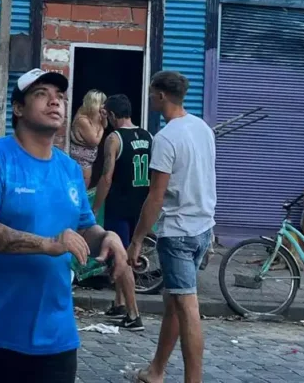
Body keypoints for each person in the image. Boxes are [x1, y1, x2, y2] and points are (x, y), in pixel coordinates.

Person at [0, 68, 132, 383]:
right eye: (41, 95)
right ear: (18, 108)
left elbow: (85, 225)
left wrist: (107, 237)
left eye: (59, 96)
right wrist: (47, 244)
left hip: (55, 332)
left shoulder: (69, 169)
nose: (54, 102)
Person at [127, 71, 215, 383]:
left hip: (178, 232)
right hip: (204, 228)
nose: (150, 98)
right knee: (175, 302)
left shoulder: (164, 139)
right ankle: (157, 370)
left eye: (151, 93)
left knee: (187, 307)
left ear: (161, 96)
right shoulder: (202, 128)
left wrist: (137, 239)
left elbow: (155, 196)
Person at [92, 93, 150, 328]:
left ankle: (134, 314)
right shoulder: (148, 136)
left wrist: (96, 207)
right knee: (128, 253)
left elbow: (107, 177)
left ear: (113, 115)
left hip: (120, 204)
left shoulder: (114, 139)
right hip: (141, 204)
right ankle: (120, 303)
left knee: (121, 258)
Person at [68, 89, 107, 187]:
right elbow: (95, 141)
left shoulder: (94, 116)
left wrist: (104, 118)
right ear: (95, 104)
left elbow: (105, 125)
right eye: (103, 103)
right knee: (80, 190)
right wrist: (101, 128)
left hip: (87, 162)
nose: (104, 106)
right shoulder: (83, 120)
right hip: (81, 162)